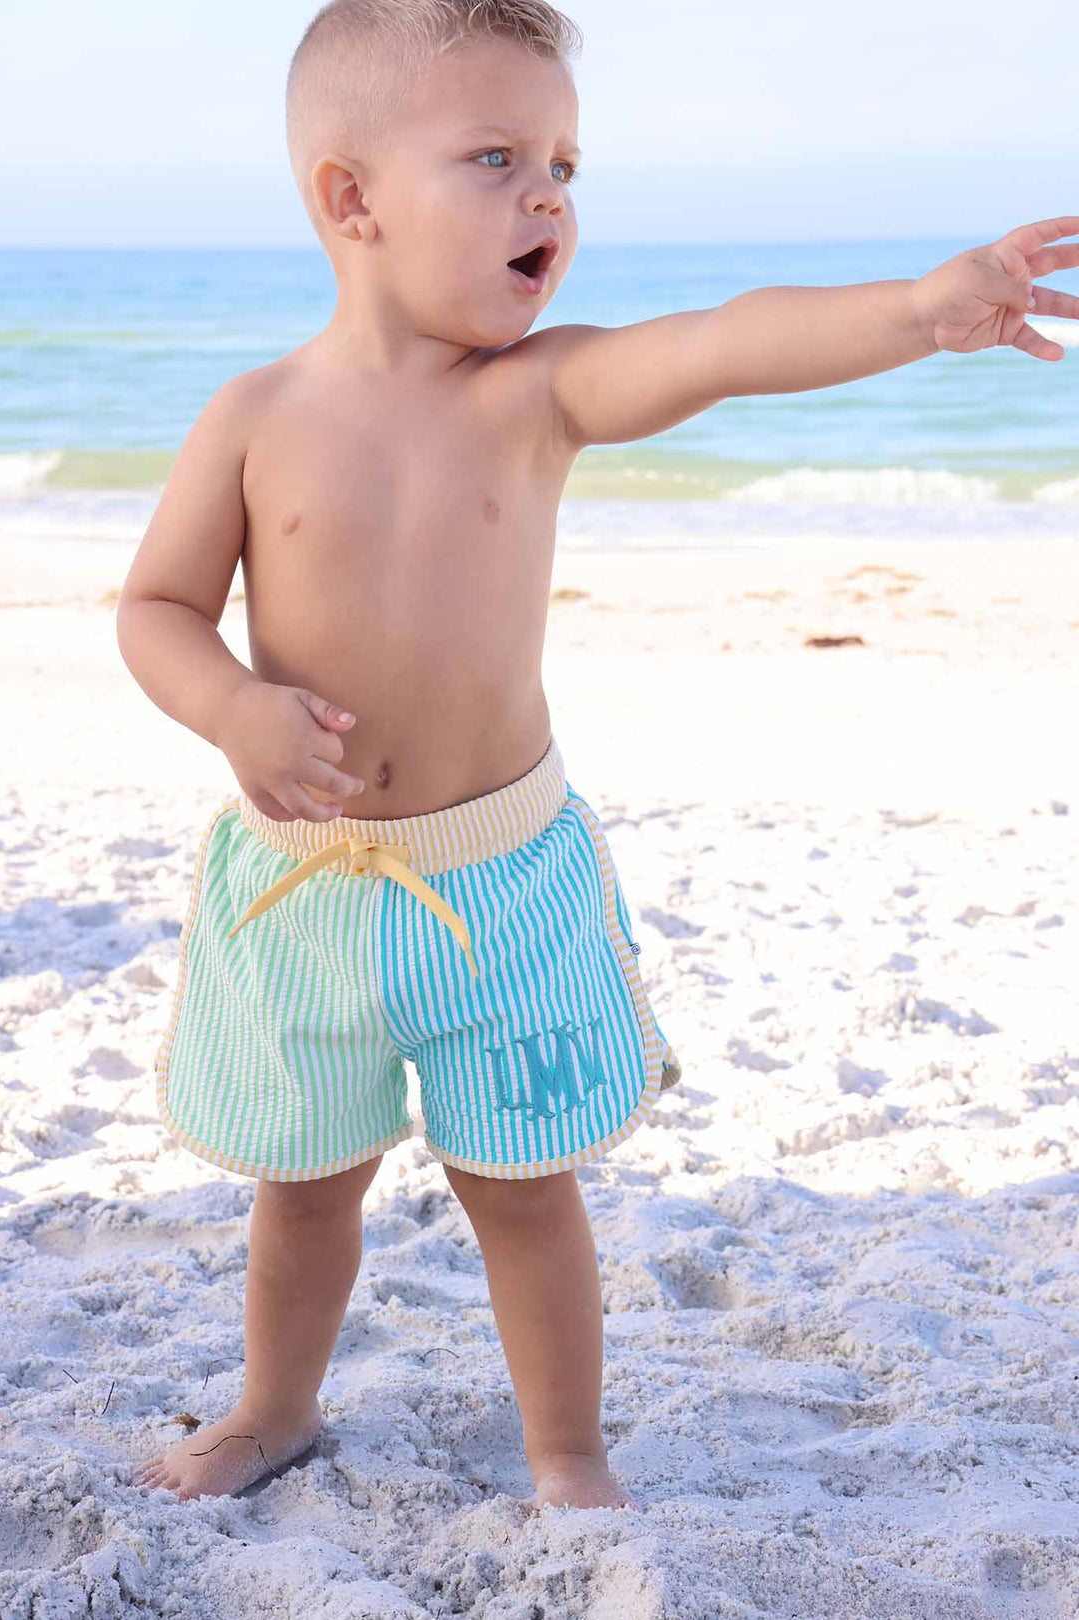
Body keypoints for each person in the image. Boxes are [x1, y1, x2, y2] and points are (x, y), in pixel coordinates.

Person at [117, 0, 1075, 1510]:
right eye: (497, 157)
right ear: (351, 200)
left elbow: (720, 344)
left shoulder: (537, 392)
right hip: (298, 892)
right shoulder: (255, 419)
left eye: (566, 162)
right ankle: (272, 1407)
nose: (550, 195)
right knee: (303, 1189)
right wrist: (234, 706)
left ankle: (568, 1452)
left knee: (521, 1188)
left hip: (498, 878)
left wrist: (915, 307)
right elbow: (159, 607)